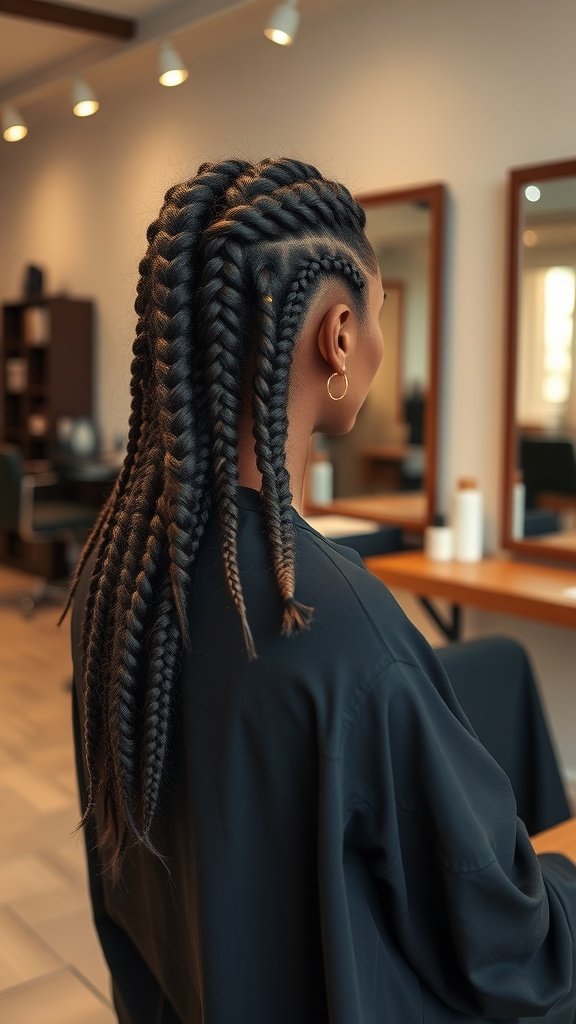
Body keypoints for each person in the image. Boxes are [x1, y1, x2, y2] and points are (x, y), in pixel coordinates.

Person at [67, 157, 576, 1024]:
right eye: (376, 317)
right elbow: (509, 948)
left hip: (184, 988)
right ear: (338, 336)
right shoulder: (341, 623)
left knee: (496, 667)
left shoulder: (123, 569)